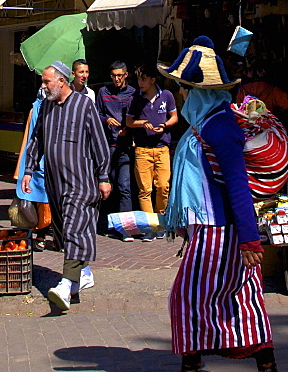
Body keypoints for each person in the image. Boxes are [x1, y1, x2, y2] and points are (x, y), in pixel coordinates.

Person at [160, 36, 278, 372]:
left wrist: (249, 238)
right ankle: (265, 363)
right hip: (214, 227)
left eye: (184, 88)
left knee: (188, 297)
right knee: (242, 299)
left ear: (199, 91)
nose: (182, 95)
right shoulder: (205, 122)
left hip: (220, 230)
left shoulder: (221, 126)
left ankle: (192, 365)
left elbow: (237, 183)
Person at [22, 60, 111, 312]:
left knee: (74, 226)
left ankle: (65, 285)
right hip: (54, 182)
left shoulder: (84, 105)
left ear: (61, 81)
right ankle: (82, 273)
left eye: (46, 81)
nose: (43, 85)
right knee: (64, 231)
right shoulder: (46, 107)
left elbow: (99, 142)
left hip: (81, 181)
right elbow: (36, 140)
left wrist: (103, 176)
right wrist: (28, 170)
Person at [126, 63, 178, 236]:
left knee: (163, 186)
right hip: (142, 149)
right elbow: (129, 122)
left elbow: (174, 117)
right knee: (145, 190)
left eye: (144, 79)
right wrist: (142, 123)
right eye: (138, 79)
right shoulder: (135, 98)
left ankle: (161, 221)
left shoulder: (167, 96)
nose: (140, 83)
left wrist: (164, 126)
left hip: (162, 147)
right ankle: (150, 226)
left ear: (153, 79)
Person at [96, 60, 136, 236]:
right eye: (113, 76)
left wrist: (128, 129)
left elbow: (137, 116)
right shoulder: (103, 92)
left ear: (126, 75)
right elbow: (97, 114)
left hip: (124, 146)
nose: (116, 79)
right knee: (107, 186)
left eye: (120, 75)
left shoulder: (133, 93)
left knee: (124, 185)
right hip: (106, 146)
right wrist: (106, 120)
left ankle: (125, 228)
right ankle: (106, 225)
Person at [14, 87, 51, 250]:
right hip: (38, 162)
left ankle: (50, 235)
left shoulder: (56, 109)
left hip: (47, 161)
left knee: (48, 202)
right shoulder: (36, 110)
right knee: (41, 201)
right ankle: (42, 234)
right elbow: (30, 138)